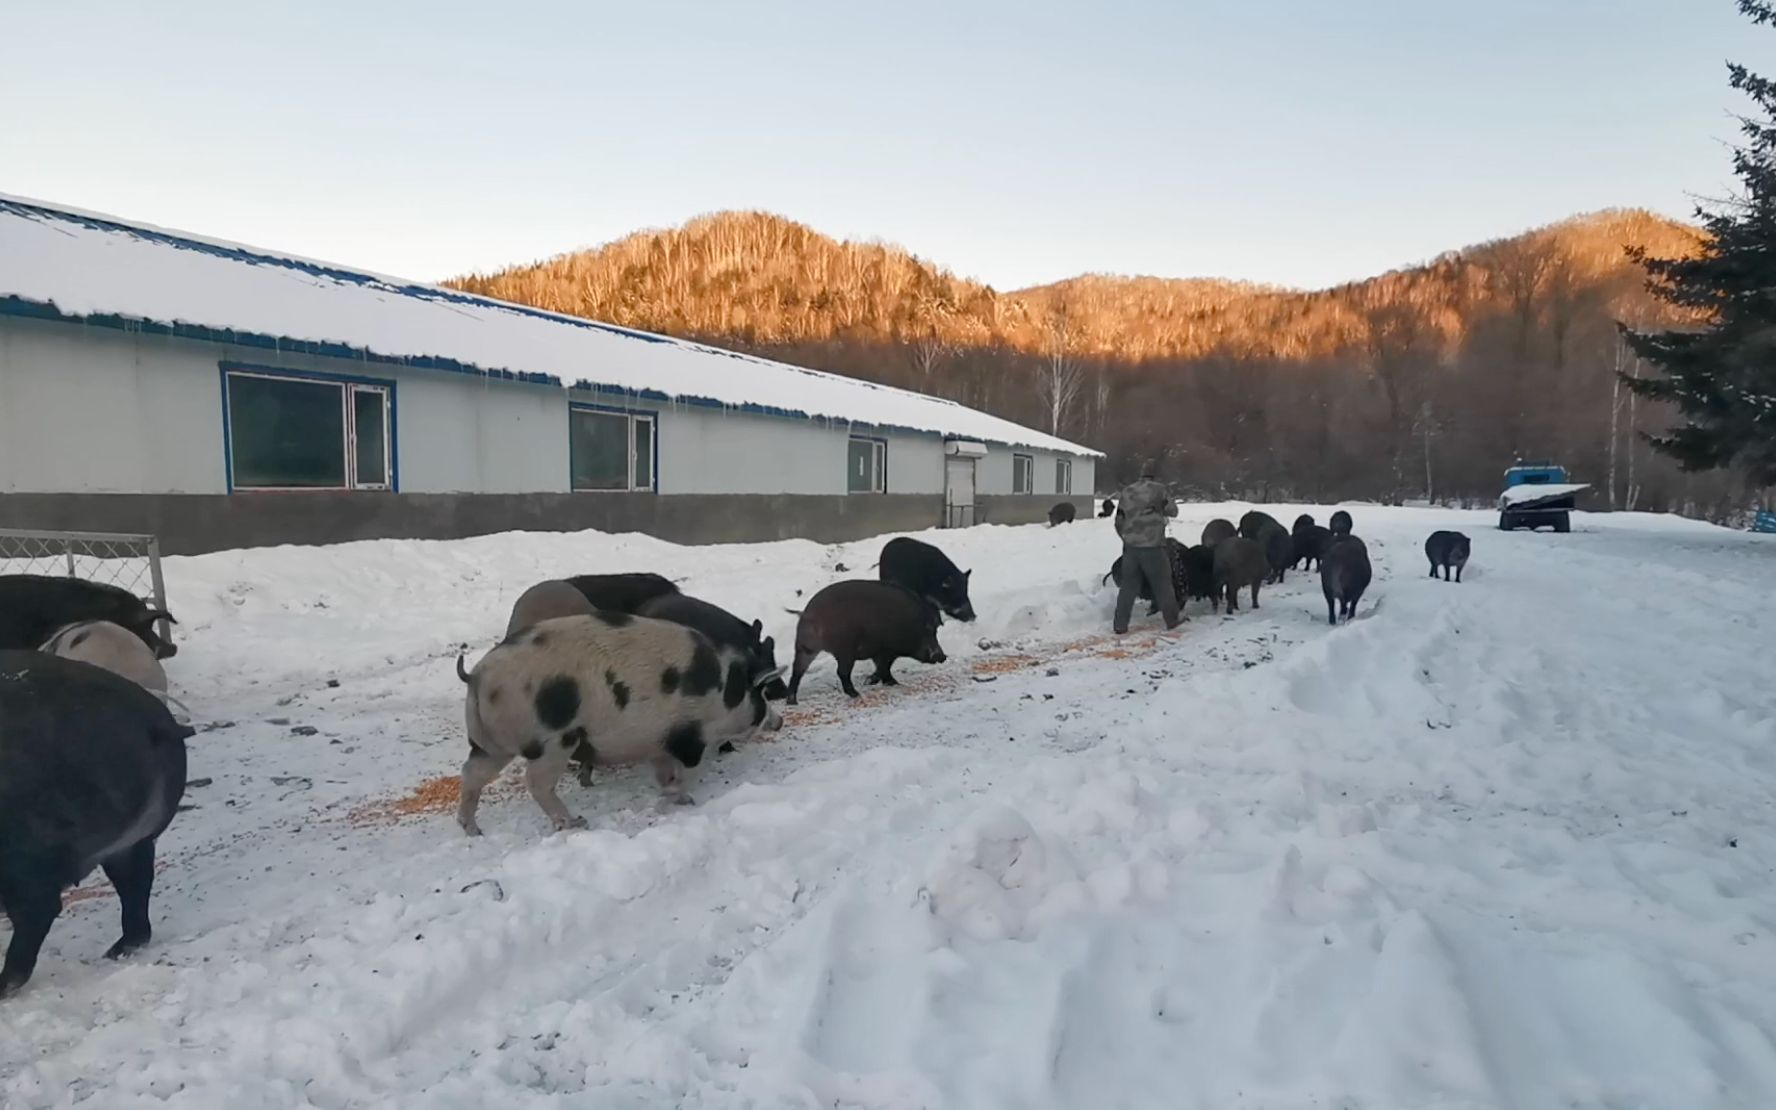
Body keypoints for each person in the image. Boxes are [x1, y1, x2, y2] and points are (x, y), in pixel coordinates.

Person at [1113, 461, 1181, 634]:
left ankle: (1120, 625)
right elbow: (1173, 511)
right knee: (1163, 583)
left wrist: (1126, 538)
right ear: (1155, 475)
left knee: (1128, 586)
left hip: (1130, 547)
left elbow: (1118, 521)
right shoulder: (1159, 489)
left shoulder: (1127, 491)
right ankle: (1172, 621)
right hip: (1153, 546)